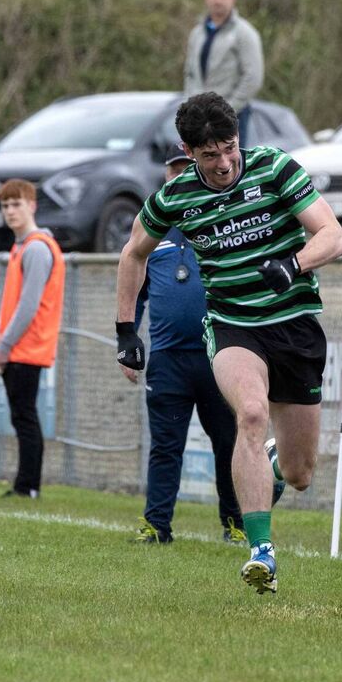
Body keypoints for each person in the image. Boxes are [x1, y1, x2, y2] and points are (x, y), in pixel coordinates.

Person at [115, 92, 342, 594]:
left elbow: (332, 234)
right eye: (208, 155)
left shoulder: (275, 168)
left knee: (301, 472)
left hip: (294, 326)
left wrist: (295, 264)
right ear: (188, 151)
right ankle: (260, 552)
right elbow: (133, 254)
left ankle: (271, 465)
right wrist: (125, 329)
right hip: (232, 325)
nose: (223, 164)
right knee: (249, 412)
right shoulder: (174, 197)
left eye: (228, 148)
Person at [121, 146, 244, 546]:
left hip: (219, 354)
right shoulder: (151, 231)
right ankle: (158, 525)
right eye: (173, 172)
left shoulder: (223, 219)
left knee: (229, 443)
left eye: (186, 170)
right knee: (165, 446)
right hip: (168, 358)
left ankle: (235, 520)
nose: (179, 178)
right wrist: (129, 337)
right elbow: (134, 290)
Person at [0, 178, 65, 499]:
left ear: (32, 206)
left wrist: (4, 346)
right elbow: (16, 300)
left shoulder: (35, 247)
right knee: (22, 417)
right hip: (19, 345)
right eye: (5, 205)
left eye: (16, 204)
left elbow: (30, 305)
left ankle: (28, 486)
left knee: (25, 417)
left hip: (26, 347)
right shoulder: (22, 246)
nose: (10, 211)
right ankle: (25, 484)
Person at [183, 0, 264, 142]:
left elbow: (253, 77)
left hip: (233, 116)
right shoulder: (197, 33)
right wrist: (191, 103)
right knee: (201, 165)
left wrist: (227, 109)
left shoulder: (244, 33)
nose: (218, 0)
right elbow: (189, 72)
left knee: (230, 166)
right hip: (199, 117)